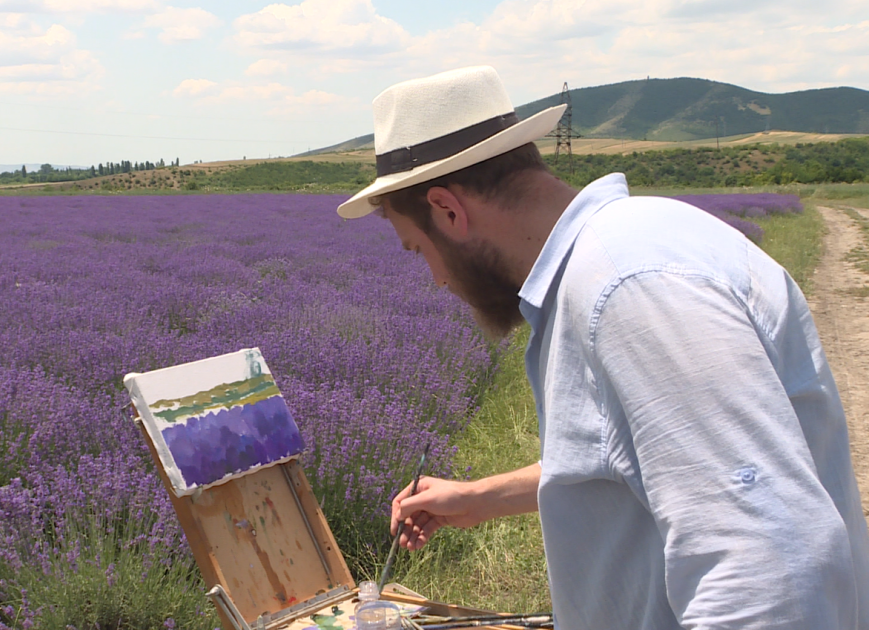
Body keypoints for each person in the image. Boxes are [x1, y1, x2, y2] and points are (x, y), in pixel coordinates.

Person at [337, 66, 869, 629]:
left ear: (449, 210)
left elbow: (771, 570)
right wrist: (483, 496)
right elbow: (658, 456)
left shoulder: (628, 286)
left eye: (418, 250)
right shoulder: (625, 253)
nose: (437, 280)